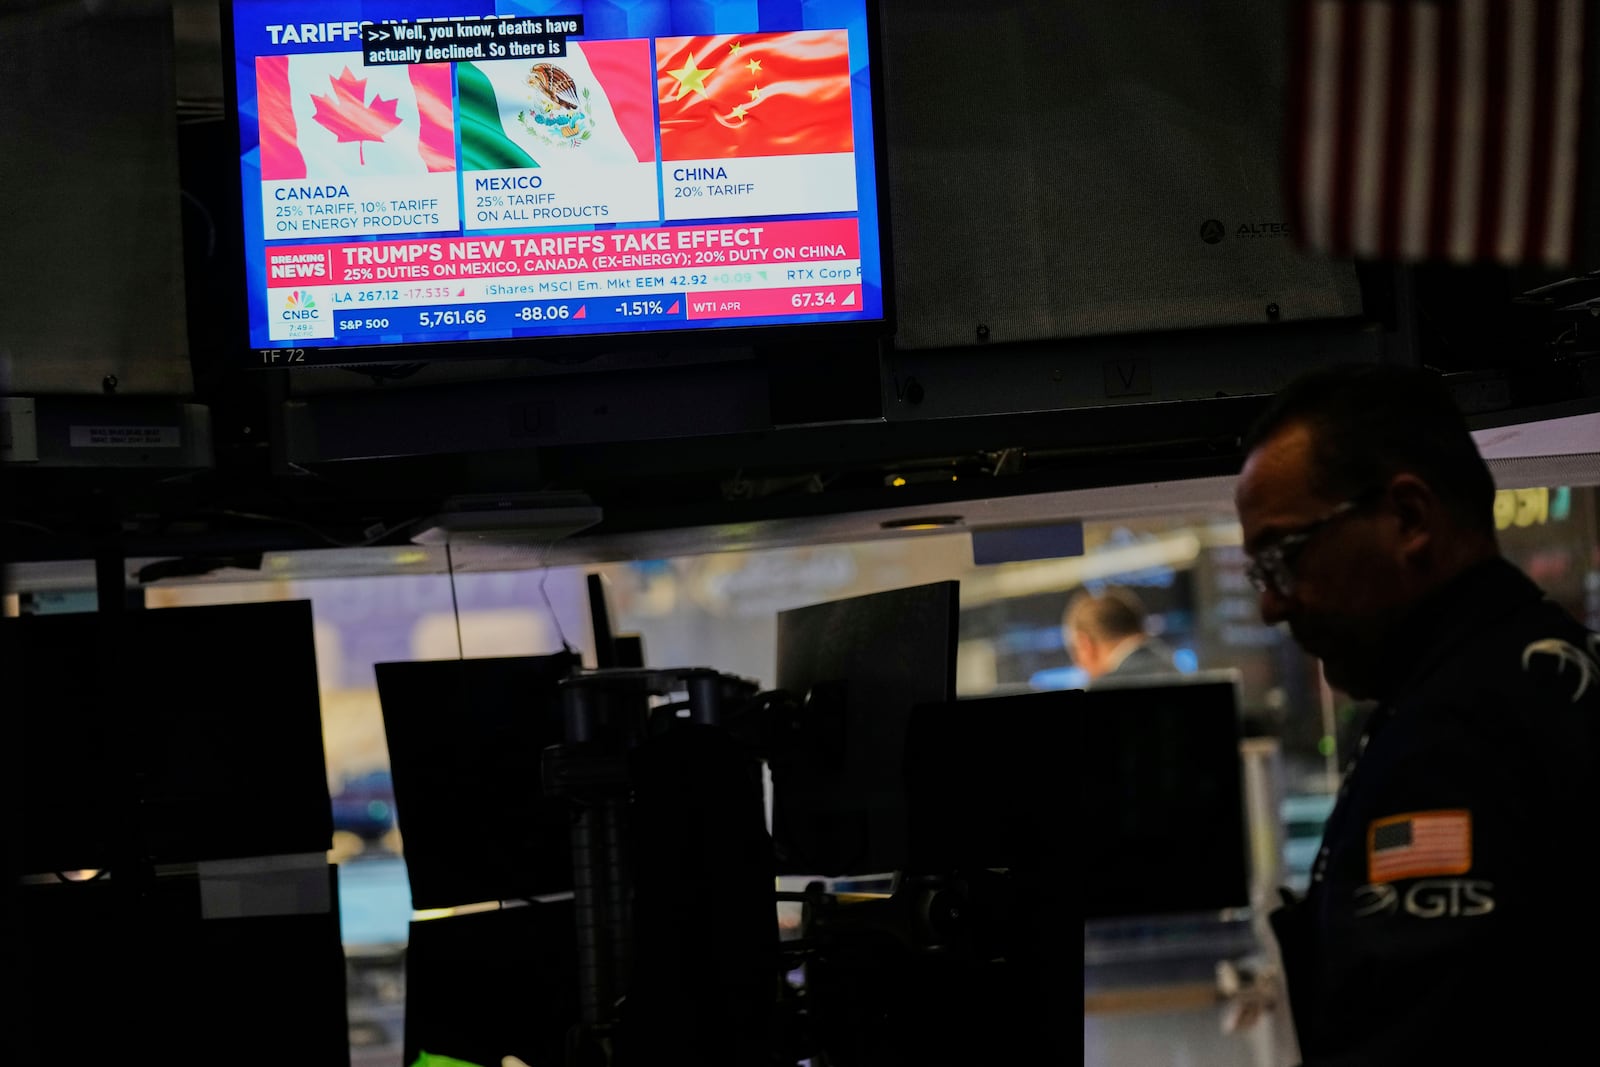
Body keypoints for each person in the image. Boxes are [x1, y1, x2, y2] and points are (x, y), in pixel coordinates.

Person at [1233, 362, 1600, 1064]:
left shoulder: (1456, 742)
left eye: (1283, 557)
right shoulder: (1552, 668)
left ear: (1407, 518)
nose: (1270, 604)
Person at [1061, 585, 1178, 683]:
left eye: (1075, 654)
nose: (1080, 667)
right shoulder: (1173, 667)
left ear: (1085, 645)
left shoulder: (1108, 686)